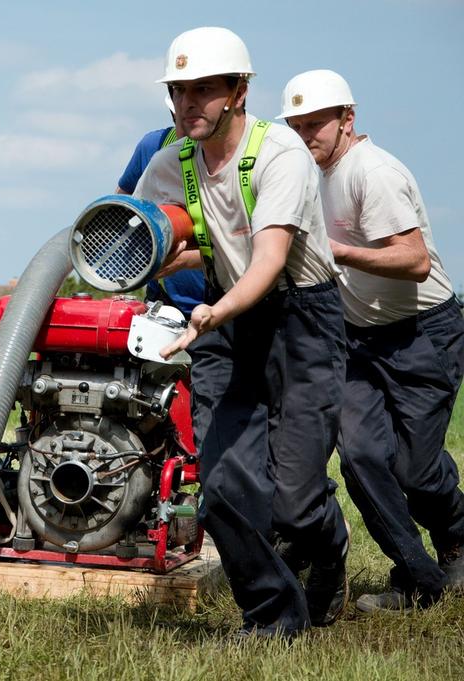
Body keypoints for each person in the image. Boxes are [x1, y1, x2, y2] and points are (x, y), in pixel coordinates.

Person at [133, 27, 350, 637]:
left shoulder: (281, 153)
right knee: (224, 486)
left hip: (301, 318)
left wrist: (212, 312)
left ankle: (327, 541)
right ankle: (273, 616)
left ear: (239, 90)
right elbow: (142, 229)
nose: (188, 104)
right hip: (226, 322)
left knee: (294, 500)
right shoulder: (172, 160)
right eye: (179, 92)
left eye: (204, 89)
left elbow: (268, 260)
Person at [281, 69, 464, 613]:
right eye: (296, 127)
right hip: (360, 339)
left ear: (347, 119)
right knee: (359, 456)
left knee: (416, 469)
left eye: (315, 124)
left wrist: (338, 250)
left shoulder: (372, 172)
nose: (306, 135)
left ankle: (457, 537)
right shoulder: (319, 171)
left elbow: (414, 260)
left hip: (422, 334)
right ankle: (418, 579)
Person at [116, 97, 205, 318]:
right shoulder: (153, 147)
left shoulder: (225, 155)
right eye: (180, 119)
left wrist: (185, 260)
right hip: (164, 302)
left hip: (224, 300)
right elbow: (120, 214)